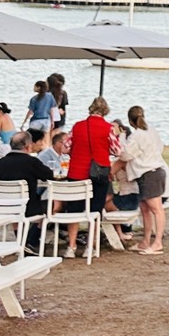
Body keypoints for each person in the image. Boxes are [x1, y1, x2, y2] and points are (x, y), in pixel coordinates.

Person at [63, 95, 113, 259]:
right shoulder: (108, 128)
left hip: (77, 172)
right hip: (99, 172)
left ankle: (71, 246)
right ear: (105, 111)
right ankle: (90, 246)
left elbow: (66, 147)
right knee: (95, 209)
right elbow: (117, 150)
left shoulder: (77, 126)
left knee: (74, 209)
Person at [0, 130, 54, 253]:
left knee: (16, 206)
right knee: (52, 205)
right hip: (26, 207)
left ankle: (22, 242)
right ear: (28, 146)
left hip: (3, 206)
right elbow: (49, 175)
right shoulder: (31, 162)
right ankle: (31, 240)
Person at [120, 105, 169, 255]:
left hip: (150, 173)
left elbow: (126, 155)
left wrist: (121, 139)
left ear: (130, 121)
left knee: (156, 209)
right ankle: (145, 241)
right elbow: (160, 147)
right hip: (151, 171)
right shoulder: (152, 131)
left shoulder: (136, 136)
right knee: (145, 208)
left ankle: (158, 242)